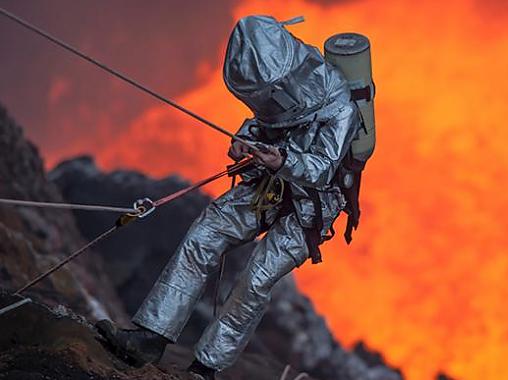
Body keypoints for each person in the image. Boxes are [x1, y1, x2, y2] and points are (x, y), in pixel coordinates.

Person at [96, 15, 359, 380]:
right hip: (266, 185)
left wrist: (281, 159)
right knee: (204, 235)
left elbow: (323, 168)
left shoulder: (340, 106)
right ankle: (149, 337)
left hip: (311, 209)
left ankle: (205, 369)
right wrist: (244, 141)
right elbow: (264, 121)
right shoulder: (278, 93)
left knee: (255, 280)